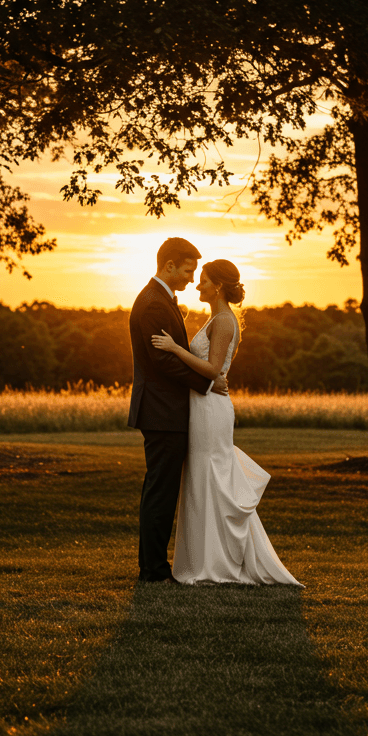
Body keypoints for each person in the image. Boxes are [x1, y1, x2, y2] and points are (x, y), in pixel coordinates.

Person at [151, 258, 302, 586]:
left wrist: (176, 349)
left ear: (217, 285)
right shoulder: (215, 318)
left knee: (212, 476)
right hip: (203, 404)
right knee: (202, 477)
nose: (197, 285)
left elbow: (213, 370)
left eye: (202, 280)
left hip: (211, 407)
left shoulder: (224, 321)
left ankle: (220, 562)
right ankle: (203, 559)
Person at [128, 238, 230, 583]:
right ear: (169, 265)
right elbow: (162, 361)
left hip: (165, 410)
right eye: (187, 270)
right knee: (161, 490)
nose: (190, 279)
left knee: (161, 489)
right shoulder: (154, 303)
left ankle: (153, 566)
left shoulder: (160, 299)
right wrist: (207, 383)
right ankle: (154, 571)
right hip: (162, 411)